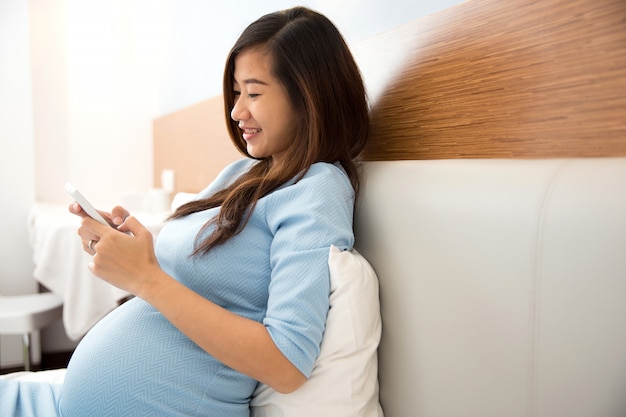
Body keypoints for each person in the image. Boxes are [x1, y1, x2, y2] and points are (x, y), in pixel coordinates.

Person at [0, 6, 369, 417]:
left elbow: (287, 364)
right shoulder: (244, 172)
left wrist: (145, 278)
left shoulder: (317, 191)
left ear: (308, 96)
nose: (236, 111)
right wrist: (133, 249)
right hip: (63, 400)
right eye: (235, 92)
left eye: (254, 92)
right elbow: (188, 276)